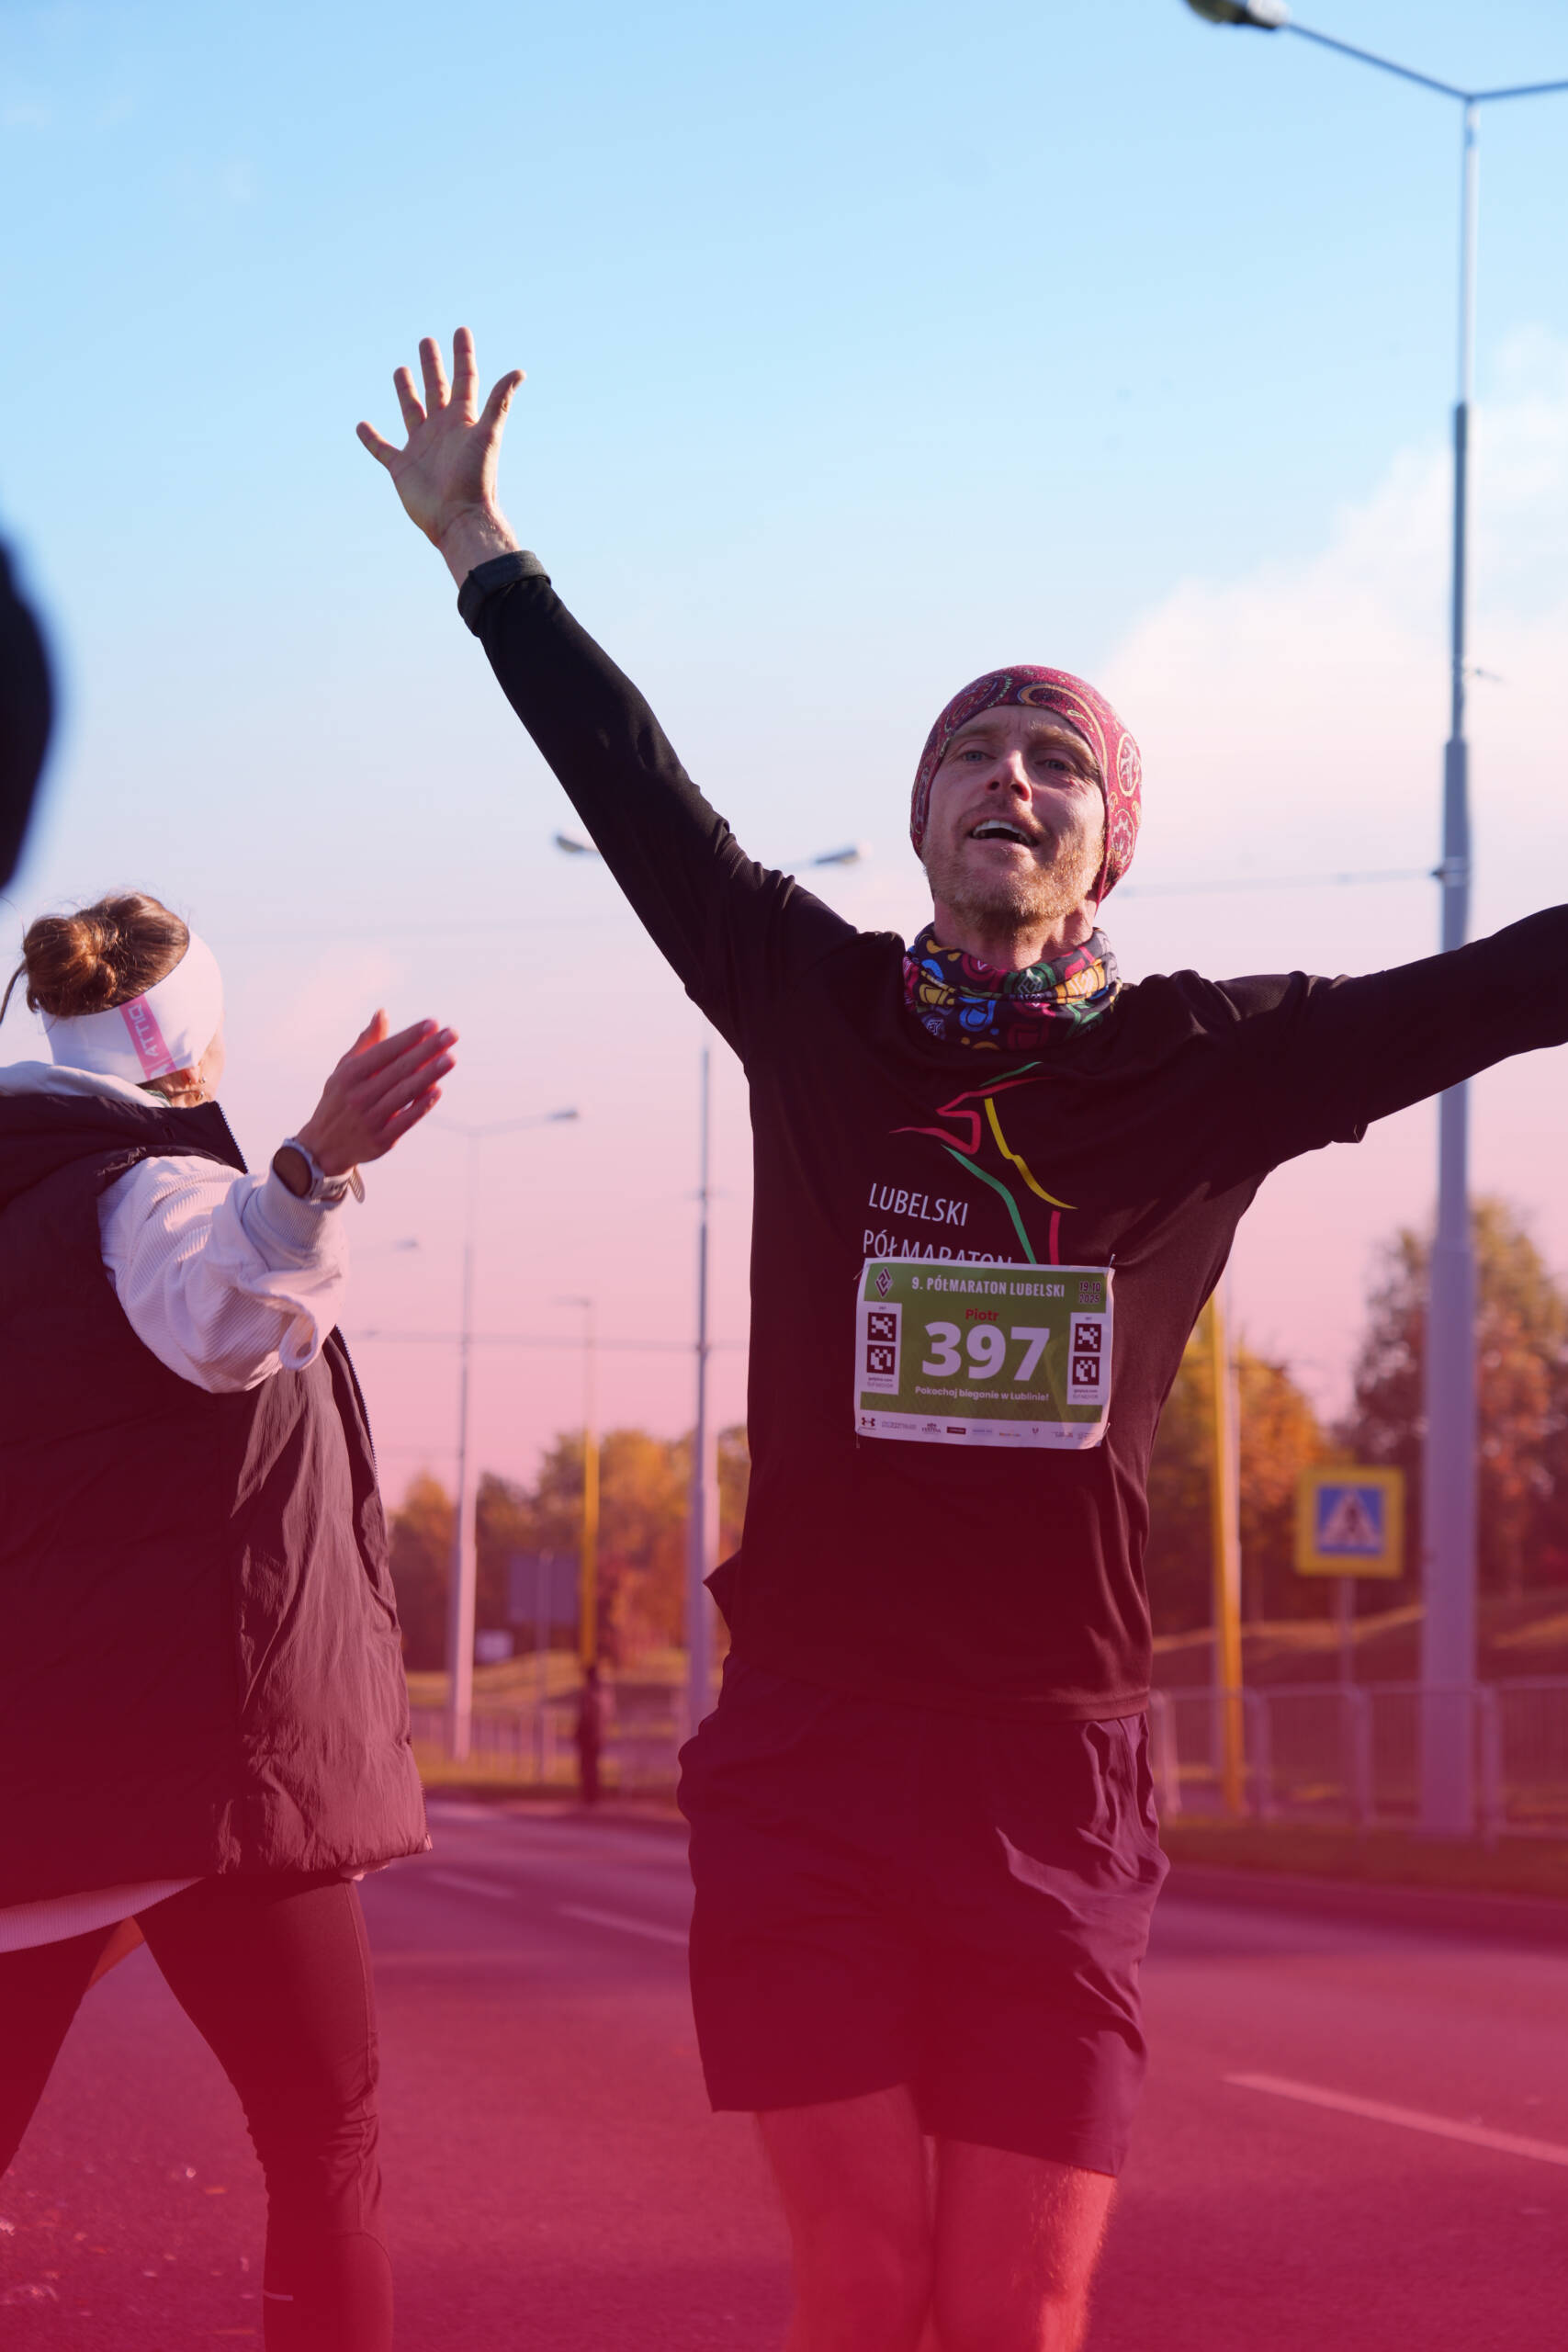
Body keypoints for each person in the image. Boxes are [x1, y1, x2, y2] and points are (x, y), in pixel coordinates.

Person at [360, 331, 1568, 2352]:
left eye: (1056, 760)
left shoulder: (1202, 1063)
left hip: (1051, 1769)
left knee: (1014, 2312)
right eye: (973, 751)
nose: (1012, 774)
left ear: (1109, 842)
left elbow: (1497, 989)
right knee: (860, 2287)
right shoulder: (810, 1003)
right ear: (919, 816)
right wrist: (483, 548)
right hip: (810, 1752)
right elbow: (633, 792)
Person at [0, 892, 457, 2352]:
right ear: (195, 1057)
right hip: (211, 1787)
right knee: (327, 2138)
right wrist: (312, 1169)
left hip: (38, 1786)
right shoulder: (147, 1189)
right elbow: (222, 1301)